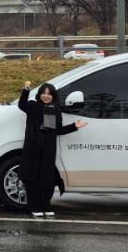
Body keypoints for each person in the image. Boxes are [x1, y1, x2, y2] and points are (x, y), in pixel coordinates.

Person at [18, 81, 87, 217]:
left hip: (48, 150)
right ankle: (35, 207)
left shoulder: (54, 110)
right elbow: (21, 104)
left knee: (46, 179)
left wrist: (74, 126)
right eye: (43, 93)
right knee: (32, 179)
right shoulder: (32, 106)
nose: (46, 96)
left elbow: (57, 130)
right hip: (33, 149)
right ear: (39, 94)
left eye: (49, 94)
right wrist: (26, 89)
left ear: (53, 96)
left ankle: (45, 205)